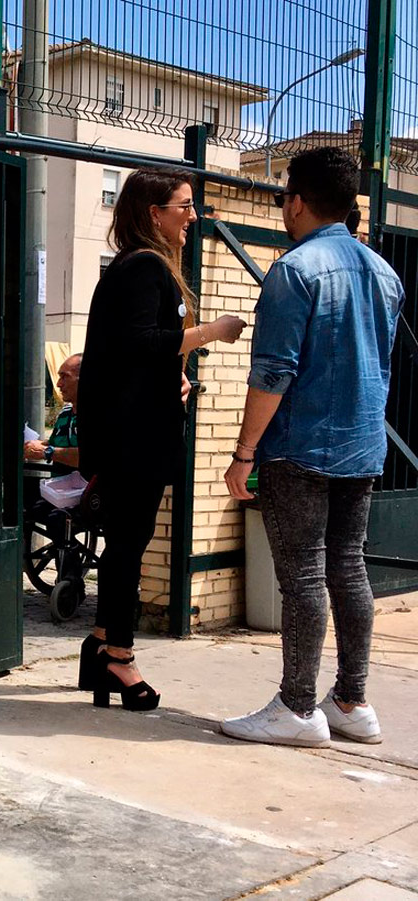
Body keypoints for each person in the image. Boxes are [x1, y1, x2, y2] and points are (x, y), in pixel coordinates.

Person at [221, 147, 403, 748]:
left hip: (299, 447)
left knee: (302, 577)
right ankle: (352, 701)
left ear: (296, 201)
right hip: (363, 444)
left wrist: (245, 452)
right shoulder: (385, 273)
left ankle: (298, 709)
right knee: (348, 569)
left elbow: (273, 371)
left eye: (282, 199)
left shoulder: (294, 270)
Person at [76, 167, 247, 711]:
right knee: (128, 545)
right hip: (133, 439)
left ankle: (101, 645)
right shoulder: (143, 266)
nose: (193, 219)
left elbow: (130, 352)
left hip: (133, 431)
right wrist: (209, 333)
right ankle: (119, 659)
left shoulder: (137, 268)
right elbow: (140, 342)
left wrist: (171, 374)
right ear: (155, 214)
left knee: (127, 540)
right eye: (184, 207)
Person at [24, 353, 82, 475]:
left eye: (65, 377)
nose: (58, 384)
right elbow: (56, 444)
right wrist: (33, 446)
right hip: (60, 491)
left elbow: (93, 457)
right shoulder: (65, 413)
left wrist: (47, 452)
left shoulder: (102, 417)